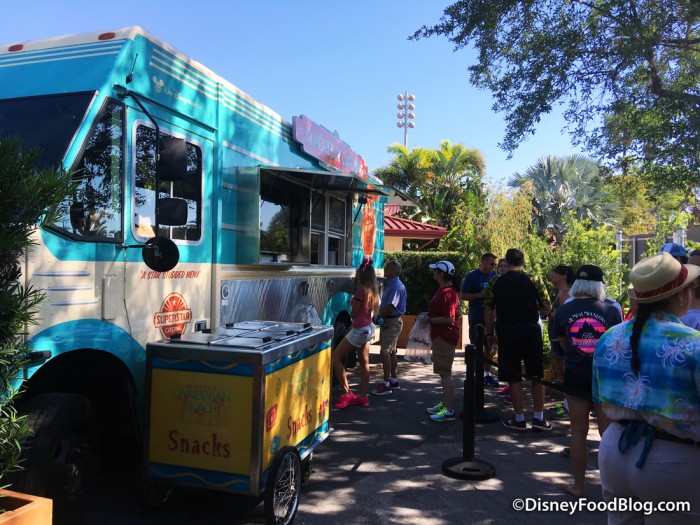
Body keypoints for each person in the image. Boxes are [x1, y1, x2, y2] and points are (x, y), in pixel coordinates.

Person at [594, 252, 700, 523]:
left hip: (614, 450)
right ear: (680, 295)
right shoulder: (694, 345)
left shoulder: (609, 338)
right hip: (675, 461)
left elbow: (600, 401)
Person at [553, 265, 621, 498]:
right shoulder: (612, 308)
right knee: (608, 433)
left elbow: (562, 342)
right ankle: (614, 487)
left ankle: (578, 486)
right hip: (604, 376)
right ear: (601, 284)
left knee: (578, 431)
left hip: (576, 374)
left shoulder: (565, 309)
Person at [484, 248, 552, 432]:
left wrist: (489, 332)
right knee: (536, 375)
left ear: (507, 261)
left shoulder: (496, 280)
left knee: (513, 377)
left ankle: (519, 418)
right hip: (530, 330)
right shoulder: (535, 279)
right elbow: (547, 307)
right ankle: (539, 418)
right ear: (523, 262)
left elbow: (488, 308)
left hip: (507, 330)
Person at [333, 257, 379, 409]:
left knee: (336, 357)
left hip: (359, 329)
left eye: (358, 271)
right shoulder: (372, 290)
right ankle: (363, 397)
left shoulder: (360, 290)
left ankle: (346, 393)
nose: (356, 273)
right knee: (364, 362)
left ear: (362, 274)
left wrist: (351, 307)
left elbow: (353, 314)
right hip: (368, 328)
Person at [424, 260, 461, 422]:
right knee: (443, 373)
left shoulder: (446, 292)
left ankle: (449, 410)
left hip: (444, 336)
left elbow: (449, 319)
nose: (433, 273)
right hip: (441, 336)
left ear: (441, 274)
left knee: (445, 373)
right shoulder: (446, 290)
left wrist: (430, 319)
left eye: (436, 271)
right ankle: (445, 405)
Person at [460, 253, 498, 387]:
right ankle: (475, 375)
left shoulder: (495, 276)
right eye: (491, 263)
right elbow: (463, 295)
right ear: (482, 262)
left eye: (495, 264)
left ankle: (487, 374)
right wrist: (479, 295)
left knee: (490, 346)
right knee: (476, 346)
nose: (493, 267)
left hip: (492, 318)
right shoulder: (471, 276)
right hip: (476, 316)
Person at [371, 260, 407, 396]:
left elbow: (391, 306)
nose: (385, 269)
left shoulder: (396, 286)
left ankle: (386, 384)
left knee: (385, 352)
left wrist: (378, 315)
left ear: (394, 271)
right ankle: (393, 380)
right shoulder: (392, 284)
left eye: (387, 268)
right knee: (391, 351)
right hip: (391, 321)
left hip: (392, 322)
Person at [547, 265, 575, 421]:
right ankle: (565, 404)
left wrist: (548, 312)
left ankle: (567, 405)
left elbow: (562, 317)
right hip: (556, 336)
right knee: (561, 372)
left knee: (564, 371)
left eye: (555, 273)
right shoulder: (561, 293)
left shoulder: (566, 295)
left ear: (564, 276)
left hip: (561, 338)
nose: (552, 276)